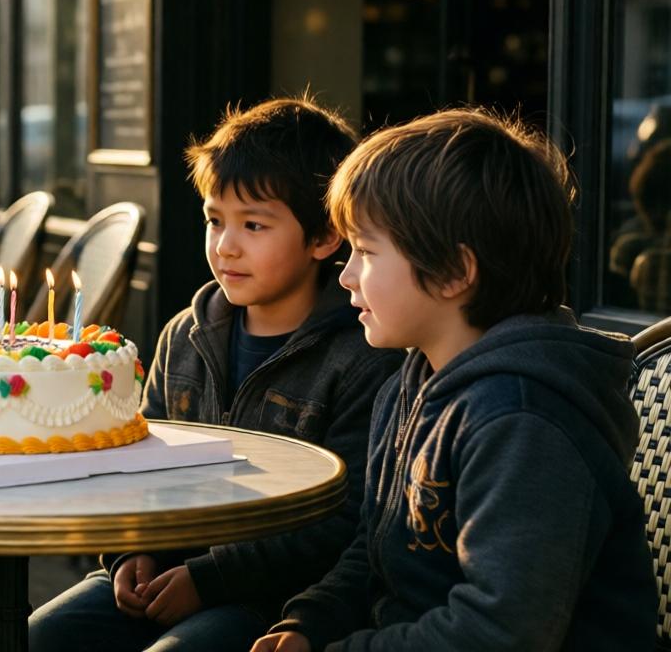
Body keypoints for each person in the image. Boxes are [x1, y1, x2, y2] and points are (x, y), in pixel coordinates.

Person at [252, 109, 657, 652]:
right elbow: (372, 551)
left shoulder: (522, 419)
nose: (345, 275)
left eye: (367, 252)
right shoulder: (410, 383)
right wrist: (309, 625)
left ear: (453, 272)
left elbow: (500, 632)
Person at [28, 98, 402, 651]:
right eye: (214, 220)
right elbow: (138, 462)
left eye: (253, 225)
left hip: (275, 598)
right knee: (36, 638)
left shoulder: (360, 356)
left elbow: (342, 521)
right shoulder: (186, 335)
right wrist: (132, 552)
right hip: (163, 571)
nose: (226, 245)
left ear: (324, 237)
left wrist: (208, 581)